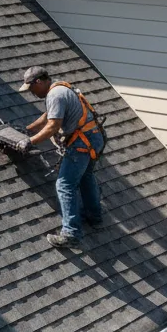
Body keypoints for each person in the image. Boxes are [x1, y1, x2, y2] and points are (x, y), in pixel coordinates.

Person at [20, 65, 105, 249]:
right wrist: (28, 130)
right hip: (94, 138)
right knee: (86, 176)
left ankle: (71, 234)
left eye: (32, 88)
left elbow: (53, 126)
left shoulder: (55, 95)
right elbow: (47, 116)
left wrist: (30, 142)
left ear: (39, 82)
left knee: (64, 185)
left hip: (82, 144)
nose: (32, 93)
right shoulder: (59, 88)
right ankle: (94, 216)